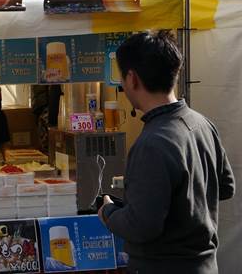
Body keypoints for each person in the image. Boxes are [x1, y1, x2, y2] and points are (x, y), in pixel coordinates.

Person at [97, 31, 235, 273]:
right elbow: (225, 187)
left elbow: (141, 226)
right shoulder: (202, 123)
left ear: (132, 78)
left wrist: (108, 212)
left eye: (122, 77)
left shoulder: (153, 142)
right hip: (205, 264)